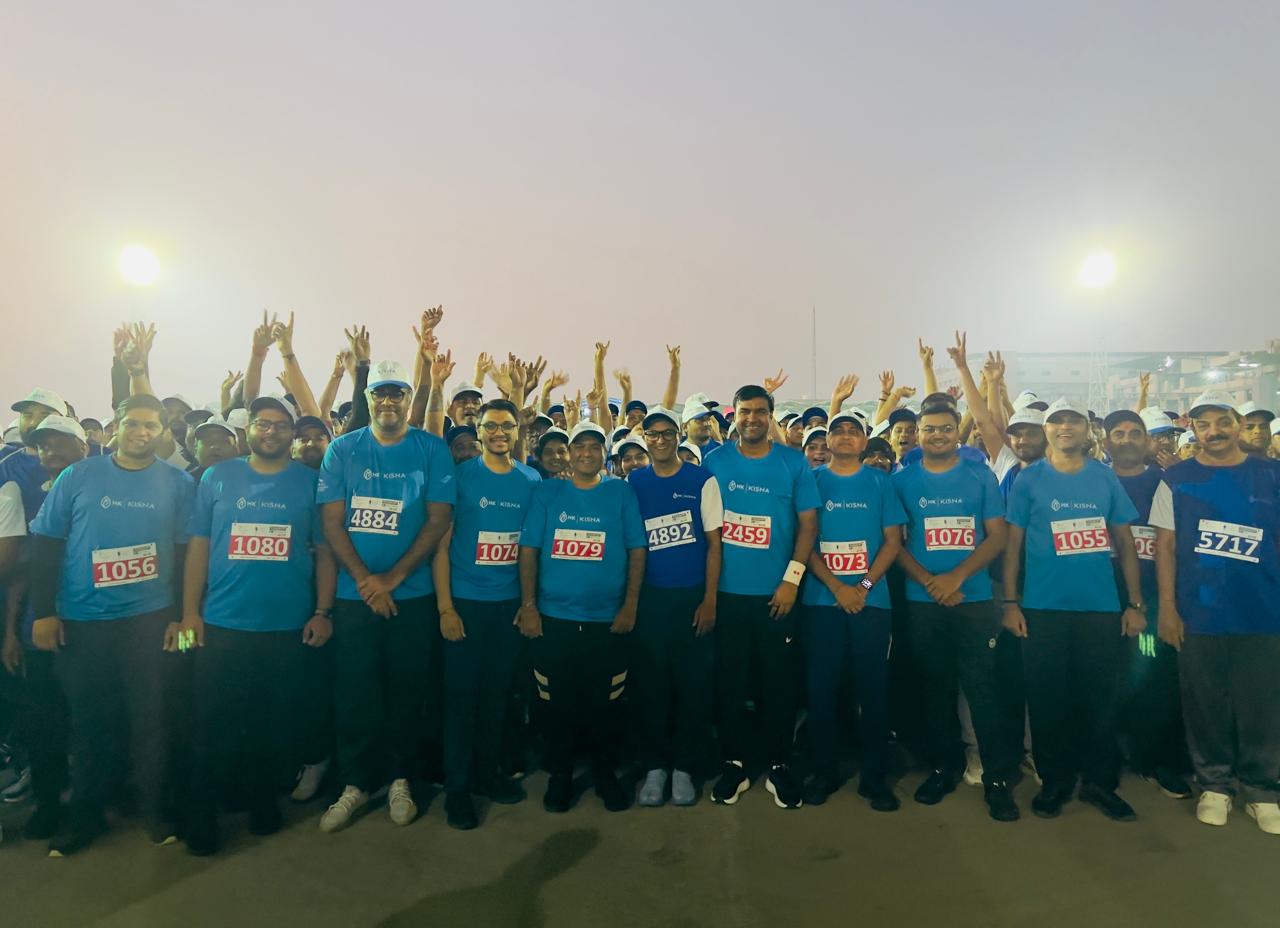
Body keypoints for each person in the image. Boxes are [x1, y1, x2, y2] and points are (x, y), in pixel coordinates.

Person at [28, 395, 195, 856]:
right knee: (90, 724)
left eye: (151, 426)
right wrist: (44, 613)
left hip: (150, 621)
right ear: (115, 427)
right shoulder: (78, 476)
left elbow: (185, 554)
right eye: (133, 423)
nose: (142, 432)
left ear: (162, 431)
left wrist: (180, 618)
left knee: (151, 719)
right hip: (84, 623)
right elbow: (46, 544)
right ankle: (86, 816)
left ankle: (155, 810)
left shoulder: (178, 483)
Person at [180, 396, 336, 855]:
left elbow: (324, 552)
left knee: (273, 722)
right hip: (221, 624)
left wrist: (323, 612)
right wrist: (190, 613)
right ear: (247, 430)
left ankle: (262, 800)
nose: (271, 432)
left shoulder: (311, 482)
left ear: (292, 434)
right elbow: (198, 547)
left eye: (281, 425)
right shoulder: (216, 477)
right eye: (263, 424)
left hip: (286, 628)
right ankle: (202, 814)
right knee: (212, 724)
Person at [315, 360, 455, 833]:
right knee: (355, 692)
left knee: (406, 691)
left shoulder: (431, 449)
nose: (388, 401)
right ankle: (355, 782)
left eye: (397, 393)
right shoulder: (343, 449)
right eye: (380, 393)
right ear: (368, 398)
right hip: (355, 598)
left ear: (409, 399)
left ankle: (400, 778)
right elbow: (332, 521)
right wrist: (366, 580)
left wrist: (393, 578)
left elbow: (437, 520)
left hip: (411, 597)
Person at [1003, 398, 1147, 822]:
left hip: (1099, 610)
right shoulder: (1028, 480)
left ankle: (1100, 784)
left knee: (1101, 700)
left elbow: (1125, 544)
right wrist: (1010, 602)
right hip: (1042, 610)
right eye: (1057, 421)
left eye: (1073, 421)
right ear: (1046, 429)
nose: (1065, 427)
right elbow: (1012, 547)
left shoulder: (1104, 477)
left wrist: (1135, 603)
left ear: (1087, 430)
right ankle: (1055, 781)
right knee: (1048, 700)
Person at [1151, 391, 1280, 835]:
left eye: (1223, 422)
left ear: (1238, 423)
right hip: (1199, 615)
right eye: (1203, 424)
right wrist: (1168, 608)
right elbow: (1165, 546)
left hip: (1263, 613)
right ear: (1194, 430)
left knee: (1262, 703)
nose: (1214, 432)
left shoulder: (1271, 474)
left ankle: (1262, 788)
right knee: (1205, 702)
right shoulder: (1175, 479)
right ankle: (1215, 785)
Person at [892, 401, 1020, 822]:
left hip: (974, 599)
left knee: (982, 688)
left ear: (956, 433)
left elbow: (996, 536)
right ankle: (943, 769)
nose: (938, 435)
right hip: (923, 602)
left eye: (946, 428)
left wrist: (956, 577)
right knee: (936, 688)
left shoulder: (980, 476)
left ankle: (997, 780)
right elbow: (895, 543)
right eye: (929, 429)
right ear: (918, 434)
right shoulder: (902, 480)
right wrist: (931, 582)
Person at [517, 421, 645, 813]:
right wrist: (528, 606)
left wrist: (630, 605)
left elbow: (637, 550)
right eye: (580, 446)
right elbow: (529, 550)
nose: (586, 453)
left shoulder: (620, 492)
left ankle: (605, 773)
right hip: (554, 619)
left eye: (594, 446)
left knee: (606, 703)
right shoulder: (547, 492)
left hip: (607, 621)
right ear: (569, 454)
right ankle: (560, 774)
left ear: (604, 453)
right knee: (556, 704)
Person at [704, 385, 818, 809]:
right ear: (734, 416)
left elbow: (808, 525)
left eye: (760, 411)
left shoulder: (793, 463)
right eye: (745, 412)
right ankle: (734, 764)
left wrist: (792, 580)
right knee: (730, 683)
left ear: (770, 416)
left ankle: (779, 765)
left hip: (778, 596)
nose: (752, 418)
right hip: (728, 596)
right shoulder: (715, 462)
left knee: (778, 684)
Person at [432, 399, 540, 830]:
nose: (499, 433)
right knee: (461, 700)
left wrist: (527, 604)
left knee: (496, 697)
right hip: (465, 605)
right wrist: (446, 607)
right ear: (478, 431)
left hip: (508, 607)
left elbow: (530, 548)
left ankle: (485, 773)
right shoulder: (460, 478)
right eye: (491, 426)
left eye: (507, 426)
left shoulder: (530, 479)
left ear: (517, 431)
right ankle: (457, 790)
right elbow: (441, 546)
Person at [801, 410, 904, 810]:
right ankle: (823, 771)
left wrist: (861, 587)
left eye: (853, 431)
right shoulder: (810, 480)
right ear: (827, 440)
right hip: (821, 602)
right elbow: (804, 541)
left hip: (871, 603)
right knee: (821, 689)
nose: (845, 436)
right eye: (837, 430)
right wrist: (837, 587)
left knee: (873, 690)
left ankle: (874, 778)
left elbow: (892, 541)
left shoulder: (881, 482)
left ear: (864, 440)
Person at [627, 407, 723, 807]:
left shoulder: (701, 480)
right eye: (653, 434)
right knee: (652, 686)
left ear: (679, 435)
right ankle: (656, 766)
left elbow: (714, 544)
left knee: (693, 687)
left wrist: (709, 599)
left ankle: (685, 766)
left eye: (668, 433)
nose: (661, 440)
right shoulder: (634, 481)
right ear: (645, 438)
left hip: (692, 599)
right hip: (651, 601)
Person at [1, 415, 86, 840]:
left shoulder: (106, 491)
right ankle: (50, 802)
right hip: (39, 628)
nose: (51, 452)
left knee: (91, 718)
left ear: (83, 448)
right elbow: (23, 572)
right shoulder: (30, 498)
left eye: (60, 443)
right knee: (43, 720)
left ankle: (92, 800)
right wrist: (11, 631)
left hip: (93, 626)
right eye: (43, 445)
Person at [1102, 410, 1192, 800]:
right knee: (1102, 682)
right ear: (1105, 440)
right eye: (1118, 433)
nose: (1127, 439)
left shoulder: (1167, 482)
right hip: (1100, 601)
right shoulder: (1093, 481)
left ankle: (1154, 759)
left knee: (1153, 680)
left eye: (1134, 432)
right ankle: (1103, 759)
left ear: (1147, 439)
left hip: (1153, 602)